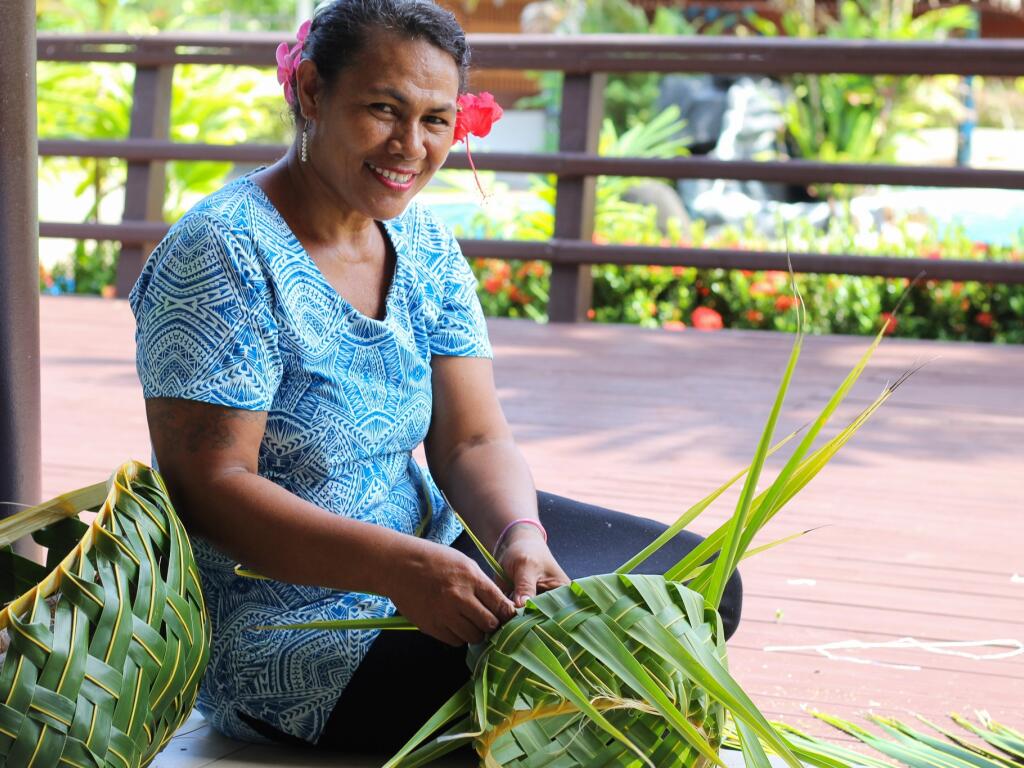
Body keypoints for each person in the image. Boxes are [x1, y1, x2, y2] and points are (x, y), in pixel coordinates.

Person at [130, 0, 742, 754]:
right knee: (570, 668)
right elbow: (210, 489)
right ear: (313, 93)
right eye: (383, 110)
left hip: (432, 549)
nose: (409, 146)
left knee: (700, 588)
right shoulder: (221, 251)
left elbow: (472, 440)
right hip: (287, 622)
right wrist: (397, 569)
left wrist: (519, 535)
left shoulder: (421, 238)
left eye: (435, 120)